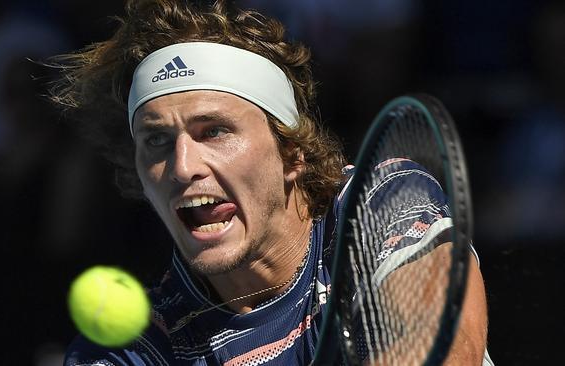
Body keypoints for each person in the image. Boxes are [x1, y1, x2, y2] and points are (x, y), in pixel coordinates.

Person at [51, 1, 491, 364]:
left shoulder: (378, 203)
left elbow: (445, 350)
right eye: (157, 141)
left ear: (290, 151)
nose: (183, 167)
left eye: (214, 131)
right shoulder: (135, 349)